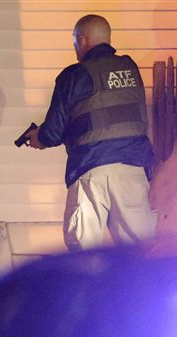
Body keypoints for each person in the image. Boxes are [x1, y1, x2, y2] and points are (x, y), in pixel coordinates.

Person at [25, 15, 157, 251]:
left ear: (82, 40)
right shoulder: (130, 68)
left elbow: (53, 132)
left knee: (84, 255)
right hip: (133, 170)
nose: (75, 46)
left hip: (91, 170)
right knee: (140, 254)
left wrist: (39, 138)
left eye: (75, 40)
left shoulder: (74, 75)